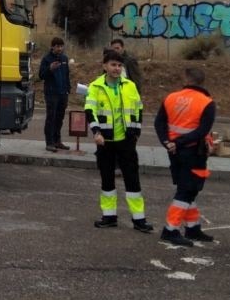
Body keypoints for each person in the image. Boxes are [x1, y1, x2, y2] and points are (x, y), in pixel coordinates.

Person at [85, 50, 151, 232]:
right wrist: (96, 132)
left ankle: (139, 220)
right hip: (105, 141)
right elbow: (89, 111)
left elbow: (138, 110)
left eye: (119, 65)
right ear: (104, 66)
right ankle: (109, 216)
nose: (117, 68)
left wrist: (136, 133)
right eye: (113, 65)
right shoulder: (95, 87)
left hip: (126, 141)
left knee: (133, 180)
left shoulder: (130, 86)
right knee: (107, 181)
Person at [154, 66, 217, 247]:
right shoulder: (206, 102)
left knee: (187, 188)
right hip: (193, 152)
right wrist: (180, 143)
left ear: (186, 80)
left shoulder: (170, 97)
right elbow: (202, 130)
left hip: (174, 152)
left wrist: (167, 142)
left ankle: (192, 227)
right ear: (202, 82)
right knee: (187, 190)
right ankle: (170, 229)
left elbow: (159, 123)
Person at [38, 37, 71, 151]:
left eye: (61, 46)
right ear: (52, 47)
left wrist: (68, 90)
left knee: (59, 118)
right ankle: (49, 143)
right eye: (57, 46)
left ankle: (57, 141)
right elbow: (41, 75)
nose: (60, 48)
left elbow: (66, 75)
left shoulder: (64, 58)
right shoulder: (46, 59)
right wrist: (50, 68)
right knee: (51, 118)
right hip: (52, 94)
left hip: (63, 93)